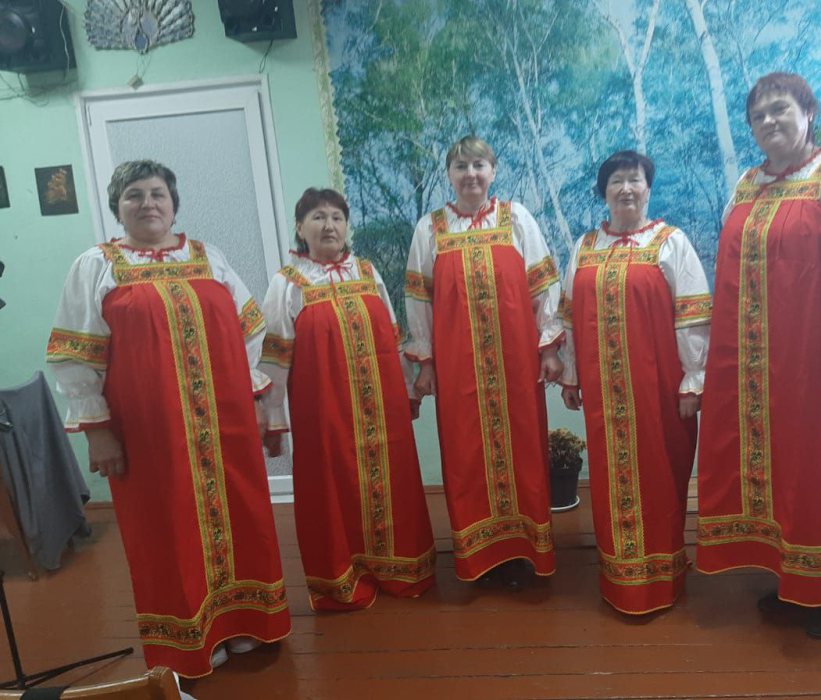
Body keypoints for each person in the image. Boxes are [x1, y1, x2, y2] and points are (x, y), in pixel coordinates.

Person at [46, 160, 290, 678]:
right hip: (149, 434)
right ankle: (189, 637)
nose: (147, 203)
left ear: (173, 204)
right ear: (118, 208)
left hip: (224, 427)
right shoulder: (96, 266)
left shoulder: (208, 257)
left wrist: (253, 397)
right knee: (165, 529)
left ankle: (244, 620)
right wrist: (98, 432)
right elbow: (76, 357)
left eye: (157, 193)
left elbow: (250, 330)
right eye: (133, 195)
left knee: (241, 516)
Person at [696, 73, 821, 638]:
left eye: (780, 108)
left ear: (808, 111)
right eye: (758, 115)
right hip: (759, 370)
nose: (769, 120)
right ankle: (795, 580)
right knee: (781, 473)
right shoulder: (747, 185)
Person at [260, 188, 436, 610]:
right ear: (300, 227)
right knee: (332, 490)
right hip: (325, 415)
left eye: (337, 217)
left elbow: (391, 336)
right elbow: (274, 358)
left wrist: (408, 390)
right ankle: (344, 579)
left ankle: (398, 569)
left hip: (383, 411)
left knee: (393, 483)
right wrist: (272, 418)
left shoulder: (368, 272)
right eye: (318, 217)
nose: (329, 226)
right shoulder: (287, 284)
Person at [404, 135, 563, 590]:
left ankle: (523, 550)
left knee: (523, 451)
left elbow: (542, 285)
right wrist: (425, 362)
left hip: (516, 363)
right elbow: (419, 299)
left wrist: (549, 348)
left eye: (478, 165)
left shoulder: (517, 218)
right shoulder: (429, 229)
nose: (470, 174)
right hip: (457, 367)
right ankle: (481, 556)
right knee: (466, 455)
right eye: (461, 166)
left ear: (493, 171)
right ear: (449, 175)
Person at [559, 151, 711, 614]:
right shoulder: (585, 247)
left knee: (661, 477)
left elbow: (692, 316)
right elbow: (569, 317)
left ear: (648, 188)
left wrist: (693, 379)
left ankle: (663, 577)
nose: (626, 188)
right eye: (616, 181)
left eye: (635, 179)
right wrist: (571, 374)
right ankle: (621, 580)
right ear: (603, 192)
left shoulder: (670, 243)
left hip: (659, 390)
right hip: (604, 396)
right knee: (610, 480)